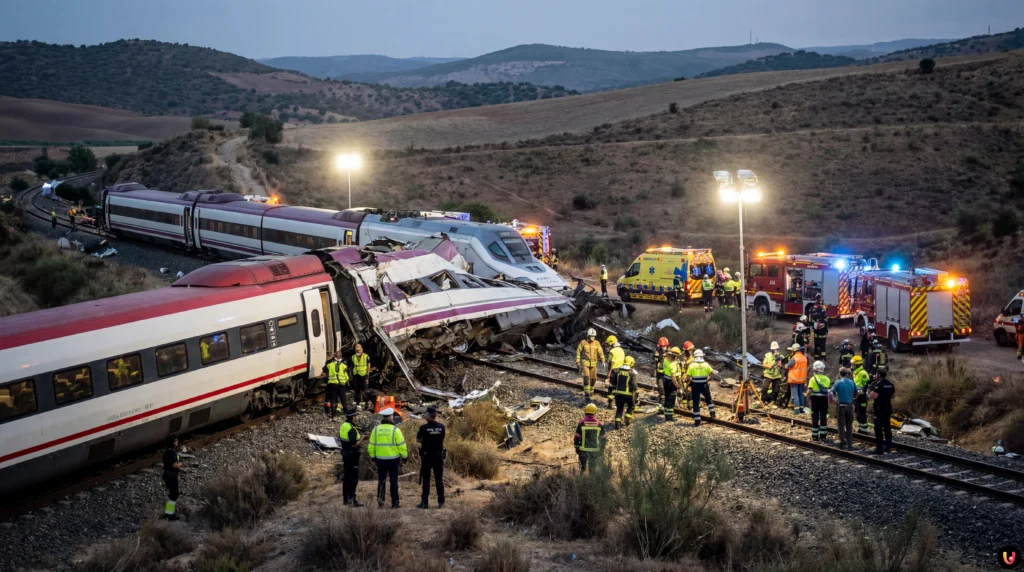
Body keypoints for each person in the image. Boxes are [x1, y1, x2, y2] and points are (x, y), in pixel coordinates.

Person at [368, 408, 407, 508]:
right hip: (393, 460)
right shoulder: (395, 430)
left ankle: (380, 502)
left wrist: (373, 457)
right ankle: (395, 503)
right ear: (390, 417)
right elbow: (402, 445)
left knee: (381, 480)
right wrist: (404, 457)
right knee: (394, 481)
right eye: (392, 416)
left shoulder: (375, 430)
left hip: (380, 460)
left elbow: (371, 446)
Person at [416, 406, 446, 509]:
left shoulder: (423, 428)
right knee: (439, 479)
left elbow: (418, 440)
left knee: (426, 479)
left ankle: (424, 502)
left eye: (426, 414)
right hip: (438, 456)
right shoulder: (441, 427)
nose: (424, 415)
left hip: (427, 456)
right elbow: (442, 438)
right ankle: (441, 502)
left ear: (429, 415)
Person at [339, 409, 364, 507]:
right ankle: (352, 499)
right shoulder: (352, 429)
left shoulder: (343, 426)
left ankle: (345, 499)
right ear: (353, 417)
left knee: (346, 477)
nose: (357, 417)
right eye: (356, 416)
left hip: (345, 454)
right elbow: (354, 444)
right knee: (353, 478)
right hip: (353, 457)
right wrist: (362, 439)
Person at [686, 349, 715, 426]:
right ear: (702, 356)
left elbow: (688, 377)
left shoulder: (692, 365)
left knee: (696, 403)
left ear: (695, 356)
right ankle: (712, 413)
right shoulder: (706, 364)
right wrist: (708, 380)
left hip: (695, 386)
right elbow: (713, 374)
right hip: (704, 385)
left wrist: (689, 382)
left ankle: (697, 421)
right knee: (708, 399)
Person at [869, 370, 895, 455]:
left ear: (879, 375)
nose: (875, 375)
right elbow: (893, 396)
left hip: (879, 409)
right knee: (887, 427)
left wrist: (871, 390)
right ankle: (888, 447)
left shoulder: (878, 385)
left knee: (878, 428)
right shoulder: (890, 384)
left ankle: (879, 448)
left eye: (876, 374)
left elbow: (872, 396)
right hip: (887, 408)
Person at [574, 403, 606, 473]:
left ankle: (580, 481)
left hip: (583, 450)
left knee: (582, 468)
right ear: (595, 412)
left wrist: (576, 447)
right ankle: (592, 482)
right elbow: (603, 439)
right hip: (594, 450)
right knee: (593, 469)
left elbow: (577, 437)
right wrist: (602, 449)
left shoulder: (581, 423)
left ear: (585, 411)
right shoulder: (599, 424)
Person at [830, 368, 857, 450]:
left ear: (840, 374)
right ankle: (850, 444)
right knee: (849, 425)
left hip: (841, 405)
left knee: (841, 424)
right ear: (847, 374)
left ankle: (842, 441)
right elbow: (857, 393)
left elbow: (831, 393)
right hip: (850, 405)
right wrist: (853, 399)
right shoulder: (852, 382)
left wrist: (833, 401)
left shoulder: (838, 382)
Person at [806, 361, 831, 441]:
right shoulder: (827, 379)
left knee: (815, 417)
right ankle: (823, 435)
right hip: (824, 400)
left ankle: (815, 436)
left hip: (815, 400)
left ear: (815, 369)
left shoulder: (812, 379)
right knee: (823, 417)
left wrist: (807, 398)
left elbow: (809, 391)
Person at [575, 329, 605, 396]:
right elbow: (578, 352)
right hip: (585, 363)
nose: (592, 338)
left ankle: (591, 390)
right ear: (588, 336)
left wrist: (603, 360)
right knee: (586, 378)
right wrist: (577, 362)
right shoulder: (583, 342)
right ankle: (587, 393)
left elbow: (600, 352)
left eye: (593, 336)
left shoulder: (597, 343)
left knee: (593, 378)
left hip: (594, 364)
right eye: (591, 336)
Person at [162, 436, 185, 520]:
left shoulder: (166, 452)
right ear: (172, 443)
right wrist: (180, 464)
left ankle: (170, 513)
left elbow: (168, 465)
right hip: (171, 476)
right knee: (174, 494)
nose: (177, 442)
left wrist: (181, 470)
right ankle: (169, 514)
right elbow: (174, 465)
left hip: (167, 475)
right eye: (175, 441)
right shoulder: (172, 453)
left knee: (173, 494)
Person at [612, 357, 638, 429]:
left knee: (619, 409)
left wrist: (613, 389)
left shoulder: (618, 372)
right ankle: (627, 418)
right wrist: (636, 391)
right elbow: (633, 384)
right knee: (631, 406)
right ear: (631, 363)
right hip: (628, 395)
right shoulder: (632, 373)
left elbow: (613, 383)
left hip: (618, 395)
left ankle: (617, 423)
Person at [323, 350, 349, 418]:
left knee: (332, 399)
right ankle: (345, 412)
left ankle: (333, 414)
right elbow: (347, 376)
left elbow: (325, 372)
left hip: (332, 384)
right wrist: (345, 381)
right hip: (341, 385)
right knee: (343, 399)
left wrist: (328, 380)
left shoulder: (329, 365)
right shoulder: (344, 365)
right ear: (340, 356)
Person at [851, 355, 871, 435]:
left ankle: (864, 430)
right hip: (857, 397)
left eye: (853, 364)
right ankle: (861, 428)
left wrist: (862, 392)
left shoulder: (862, 373)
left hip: (862, 397)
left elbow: (868, 384)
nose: (852, 365)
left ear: (857, 364)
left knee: (861, 413)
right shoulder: (856, 372)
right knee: (858, 413)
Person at [786, 344, 808, 414]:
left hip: (794, 379)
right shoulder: (804, 358)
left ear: (794, 350)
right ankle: (801, 409)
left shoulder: (794, 358)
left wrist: (784, 365)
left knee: (795, 395)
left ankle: (797, 410)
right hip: (802, 379)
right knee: (800, 394)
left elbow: (787, 366)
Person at [605, 335, 625, 408]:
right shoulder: (622, 350)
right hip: (621, 370)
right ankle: (618, 404)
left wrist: (608, 375)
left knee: (611, 387)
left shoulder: (612, 351)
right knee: (619, 388)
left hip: (614, 370)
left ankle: (610, 404)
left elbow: (611, 364)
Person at [663, 347, 682, 421]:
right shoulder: (673, 364)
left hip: (666, 380)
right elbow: (673, 377)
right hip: (671, 382)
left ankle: (666, 415)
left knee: (667, 397)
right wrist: (677, 385)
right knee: (671, 399)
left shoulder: (666, 361)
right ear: (676, 355)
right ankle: (669, 417)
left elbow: (667, 356)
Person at [351, 344, 370, 408]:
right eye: (357, 350)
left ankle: (367, 402)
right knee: (356, 389)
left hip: (364, 375)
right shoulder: (353, 357)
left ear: (362, 349)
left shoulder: (366, 356)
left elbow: (368, 366)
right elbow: (352, 366)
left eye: (359, 350)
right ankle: (358, 402)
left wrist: (367, 376)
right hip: (356, 374)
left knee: (365, 389)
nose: (358, 352)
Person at [810, 295, 828, 361]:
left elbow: (811, 319)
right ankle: (822, 357)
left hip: (816, 331)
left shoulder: (813, 308)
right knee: (822, 345)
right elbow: (826, 318)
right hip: (822, 332)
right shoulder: (822, 308)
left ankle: (816, 356)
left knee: (816, 345)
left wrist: (813, 325)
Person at [654, 337, 669, 413]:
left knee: (665, 392)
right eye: (662, 346)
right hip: (660, 375)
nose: (663, 348)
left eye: (664, 346)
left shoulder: (669, 355)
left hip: (667, 376)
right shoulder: (657, 353)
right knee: (661, 391)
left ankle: (665, 407)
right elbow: (656, 363)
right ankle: (661, 408)